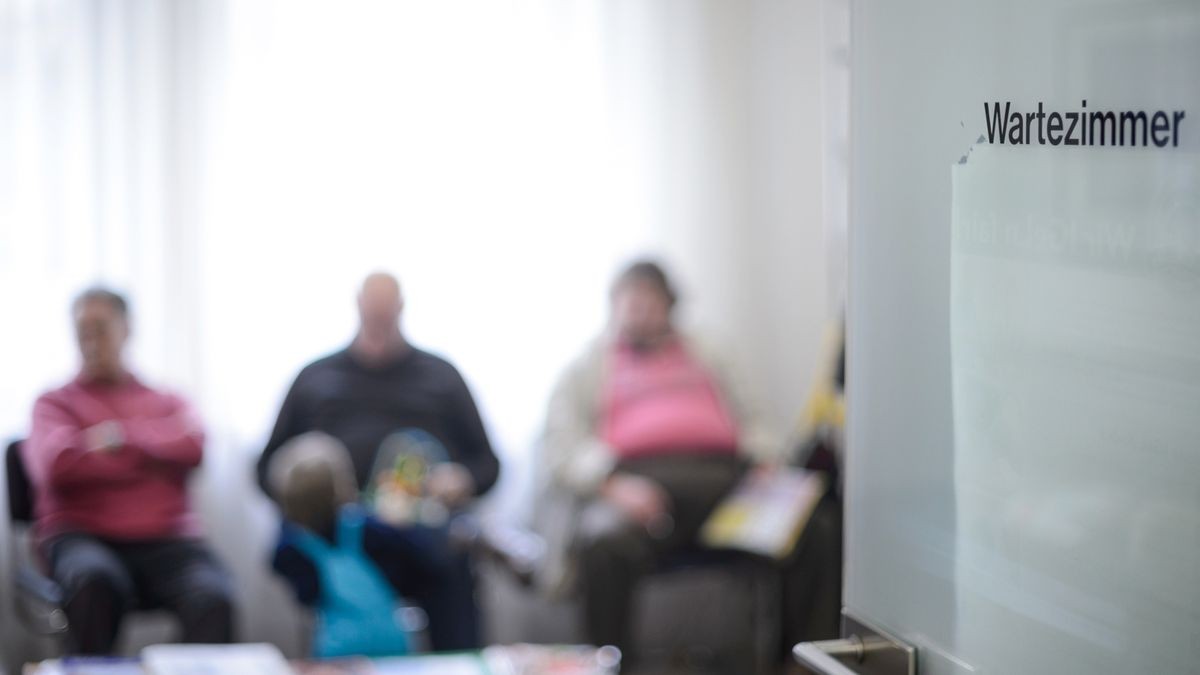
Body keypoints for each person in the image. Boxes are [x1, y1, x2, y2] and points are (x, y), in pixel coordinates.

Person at [540, 260, 839, 662]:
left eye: (649, 301)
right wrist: (612, 485)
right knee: (602, 544)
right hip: (638, 490)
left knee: (815, 530)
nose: (639, 311)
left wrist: (767, 463)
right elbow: (562, 444)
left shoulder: (708, 350)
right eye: (629, 302)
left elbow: (755, 418)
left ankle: (797, 663)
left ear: (670, 305)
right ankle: (609, 666)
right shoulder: (589, 364)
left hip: (727, 486)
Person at [257, 272, 499, 651]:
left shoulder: (442, 376)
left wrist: (461, 478)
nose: (379, 323)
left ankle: (458, 661)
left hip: (422, 529)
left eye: (387, 312)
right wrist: (307, 482)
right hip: (337, 534)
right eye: (373, 312)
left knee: (452, 551)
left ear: (402, 308)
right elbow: (264, 468)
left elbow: (488, 465)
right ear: (357, 306)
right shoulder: (315, 377)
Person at [23, 287, 234, 655]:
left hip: (167, 541)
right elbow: (56, 465)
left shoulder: (167, 400)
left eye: (100, 329)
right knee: (94, 582)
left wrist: (121, 440)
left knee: (215, 596)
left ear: (127, 329)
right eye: (81, 332)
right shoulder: (53, 403)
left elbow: (193, 447)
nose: (90, 342)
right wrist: (153, 458)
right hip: (82, 537)